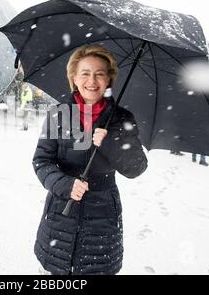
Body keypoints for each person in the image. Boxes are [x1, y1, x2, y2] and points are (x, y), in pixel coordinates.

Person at [32, 45, 148, 275]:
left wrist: (111, 142)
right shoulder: (59, 113)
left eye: (99, 73)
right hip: (60, 215)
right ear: (74, 77)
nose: (92, 81)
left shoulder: (122, 118)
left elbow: (136, 167)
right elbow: (41, 161)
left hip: (102, 218)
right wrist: (65, 184)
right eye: (85, 73)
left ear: (109, 80)